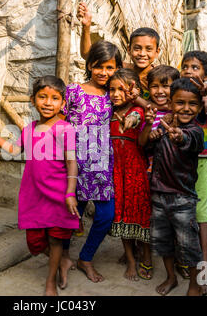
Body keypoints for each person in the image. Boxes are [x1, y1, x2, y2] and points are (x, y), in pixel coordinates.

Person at [0, 75, 81, 296]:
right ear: (33, 100)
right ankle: (63, 261)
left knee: (56, 239)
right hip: (34, 195)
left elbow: (72, 162)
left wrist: (70, 192)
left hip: (59, 194)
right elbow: (15, 150)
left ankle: (50, 282)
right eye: (42, 97)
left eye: (55, 98)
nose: (48, 102)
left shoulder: (65, 129)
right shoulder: (29, 129)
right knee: (34, 242)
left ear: (63, 104)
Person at [60, 40, 122, 286]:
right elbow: (60, 121)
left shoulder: (113, 94)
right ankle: (63, 256)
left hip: (100, 162)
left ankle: (86, 257)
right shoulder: (74, 90)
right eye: (99, 67)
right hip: (75, 160)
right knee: (71, 215)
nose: (104, 73)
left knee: (106, 216)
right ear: (89, 65)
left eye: (110, 67)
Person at [146, 77, 205, 296]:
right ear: (170, 103)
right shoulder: (164, 125)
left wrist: (179, 136)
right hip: (159, 196)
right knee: (162, 242)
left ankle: (194, 285)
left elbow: (188, 140)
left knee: (188, 246)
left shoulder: (195, 131)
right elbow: (148, 146)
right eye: (180, 102)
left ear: (199, 107)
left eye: (192, 104)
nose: (186, 108)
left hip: (182, 199)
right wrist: (153, 135)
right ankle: (171, 277)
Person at [177, 51, 207, 295]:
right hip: (176, 162)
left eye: (194, 67)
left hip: (200, 163)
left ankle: (203, 270)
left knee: (200, 215)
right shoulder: (178, 92)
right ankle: (184, 263)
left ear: (206, 75)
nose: (188, 70)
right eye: (185, 66)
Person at [107, 68, 152, 282]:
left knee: (140, 211)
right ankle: (131, 259)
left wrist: (131, 119)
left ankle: (146, 256)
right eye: (112, 89)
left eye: (121, 90)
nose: (115, 94)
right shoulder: (108, 113)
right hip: (116, 172)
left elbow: (137, 116)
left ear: (133, 92)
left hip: (136, 171)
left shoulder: (138, 110)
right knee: (120, 213)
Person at [77, 2, 160, 100]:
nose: (142, 54)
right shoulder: (121, 69)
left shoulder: (158, 76)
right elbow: (88, 55)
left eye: (148, 49)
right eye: (137, 48)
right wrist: (86, 27)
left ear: (157, 52)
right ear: (129, 49)